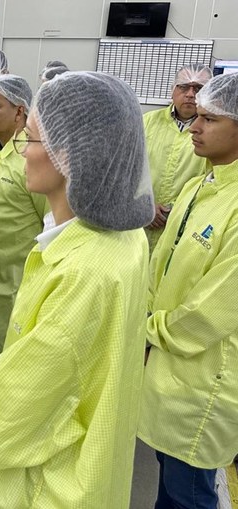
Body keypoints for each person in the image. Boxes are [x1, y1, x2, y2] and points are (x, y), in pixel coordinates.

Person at [0, 71, 155, 507]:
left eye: (29, 140)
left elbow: (1, 423)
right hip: (91, 464)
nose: (23, 153)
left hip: (49, 487)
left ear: (70, 155)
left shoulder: (84, 272)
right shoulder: (126, 236)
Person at [139, 72, 238, 509]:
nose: (195, 127)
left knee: (190, 495)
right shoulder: (201, 185)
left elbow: (213, 310)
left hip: (203, 382)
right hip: (168, 373)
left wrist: (149, 328)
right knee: (171, 488)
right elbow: (163, 266)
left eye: (210, 119)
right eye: (195, 117)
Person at [0, 74, 46, 390]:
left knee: (12, 352)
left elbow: (50, 222)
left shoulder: (32, 157)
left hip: (17, 278)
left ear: (19, 112)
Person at [143, 63, 212, 250]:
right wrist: (142, 203)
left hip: (184, 229)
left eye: (198, 88)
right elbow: (126, 168)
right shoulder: (146, 122)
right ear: (173, 90)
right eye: (183, 87)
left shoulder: (214, 132)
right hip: (138, 225)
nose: (190, 94)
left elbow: (213, 182)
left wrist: (179, 211)